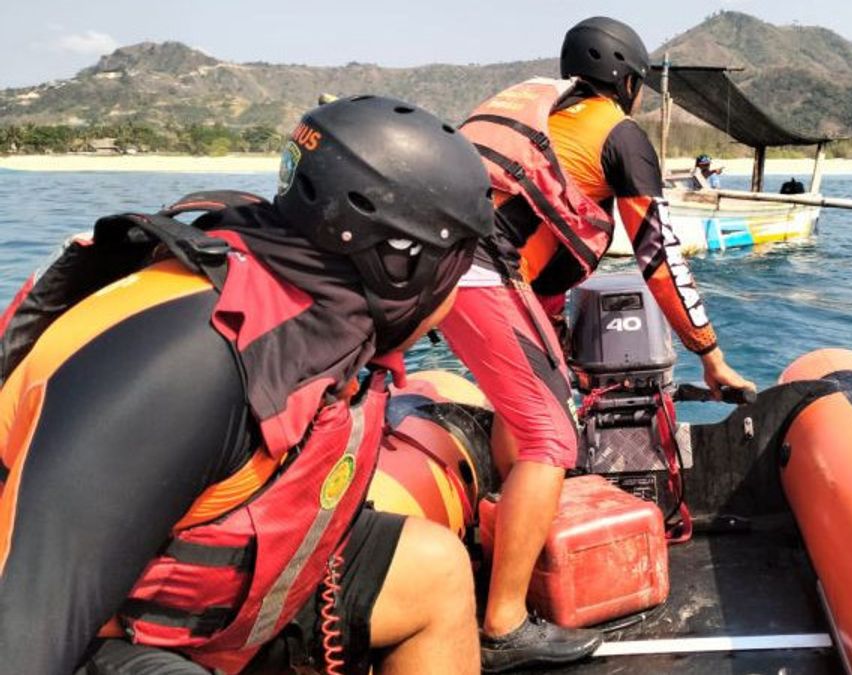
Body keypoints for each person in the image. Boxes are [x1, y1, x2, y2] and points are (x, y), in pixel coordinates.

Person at [0, 96, 494, 674]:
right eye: (459, 269)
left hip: (187, 601)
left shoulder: (318, 318)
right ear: (402, 266)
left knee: (432, 568)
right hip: (67, 630)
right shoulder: (192, 364)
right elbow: (25, 627)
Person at [445, 16, 756, 672]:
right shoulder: (620, 136)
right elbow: (660, 257)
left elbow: (531, 222)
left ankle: (512, 553)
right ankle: (501, 625)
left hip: (444, 272)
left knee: (525, 410)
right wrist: (711, 355)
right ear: (628, 80)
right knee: (550, 437)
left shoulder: (543, 114)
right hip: (485, 280)